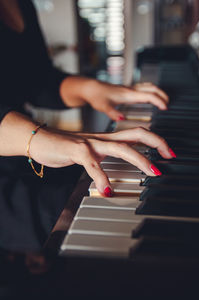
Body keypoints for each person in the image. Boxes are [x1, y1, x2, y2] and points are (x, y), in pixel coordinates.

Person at [0, 0, 175, 250]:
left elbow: (37, 79)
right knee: (92, 221)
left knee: (106, 177)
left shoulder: (22, 5)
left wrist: (93, 89)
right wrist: (38, 138)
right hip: (13, 169)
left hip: (24, 152)